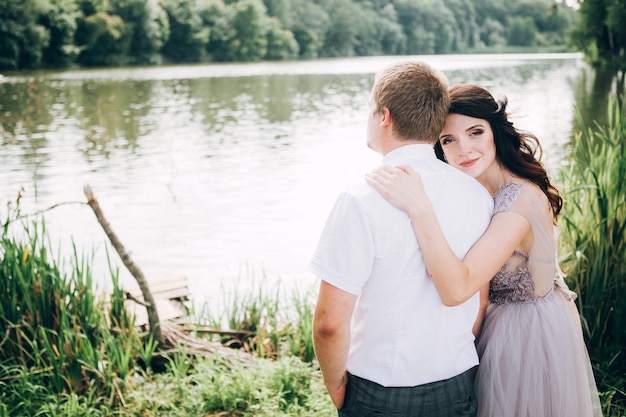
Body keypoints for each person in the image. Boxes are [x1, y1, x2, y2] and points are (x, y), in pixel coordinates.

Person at [365, 84, 603, 417]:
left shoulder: (518, 204)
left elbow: (457, 289)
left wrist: (420, 208)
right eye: (449, 140)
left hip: (524, 335)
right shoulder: (477, 191)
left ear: (495, 131)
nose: (464, 150)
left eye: (475, 132)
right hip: (502, 322)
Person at [310, 61, 494, 417]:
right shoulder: (477, 195)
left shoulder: (359, 199)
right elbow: (479, 300)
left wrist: (334, 384)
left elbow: (330, 324)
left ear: (384, 116)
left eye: (369, 108)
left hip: (378, 391)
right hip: (456, 381)